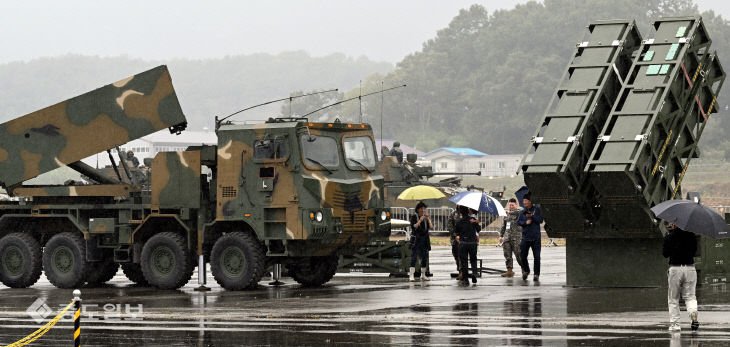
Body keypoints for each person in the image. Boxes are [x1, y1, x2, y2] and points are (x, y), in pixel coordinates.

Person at [663, 222, 699, 332]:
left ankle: (675, 325)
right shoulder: (692, 235)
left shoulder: (670, 236)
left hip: (675, 268)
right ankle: (693, 313)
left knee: (673, 298)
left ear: (674, 224)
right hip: (690, 268)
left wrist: (667, 241)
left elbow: (665, 254)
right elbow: (694, 252)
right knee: (690, 296)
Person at [518, 194, 543, 281]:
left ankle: (536, 274)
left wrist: (532, 216)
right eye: (523, 200)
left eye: (526, 200)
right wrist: (526, 222)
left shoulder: (537, 210)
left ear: (530, 201)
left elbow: (540, 220)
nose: (524, 202)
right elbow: (519, 222)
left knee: (537, 257)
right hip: (525, 237)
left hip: (536, 238)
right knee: (523, 256)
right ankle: (526, 270)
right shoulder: (522, 212)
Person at [456, 205, 480, 284]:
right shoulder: (472, 220)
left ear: (460, 212)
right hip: (472, 243)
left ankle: (465, 279)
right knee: (473, 259)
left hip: (463, 243)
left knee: (464, 261)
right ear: (468, 211)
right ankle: (474, 273)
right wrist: (476, 222)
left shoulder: (459, 221)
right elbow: (478, 229)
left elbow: (457, 231)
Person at [499, 198, 523, 277]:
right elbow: (504, 226)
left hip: (516, 237)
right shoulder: (507, 214)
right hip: (507, 237)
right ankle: (509, 270)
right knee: (507, 255)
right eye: (510, 205)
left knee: (518, 254)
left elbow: (518, 212)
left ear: (516, 205)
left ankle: (524, 268)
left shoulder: (519, 213)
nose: (511, 206)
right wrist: (501, 235)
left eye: (512, 205)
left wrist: (510, 212)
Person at [409, 201, 432, 281]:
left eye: (424, 209)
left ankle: (423, 274)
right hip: (416, 239)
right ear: (418, 209)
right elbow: (414, 227)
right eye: (421, 209)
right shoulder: (414, 217)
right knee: (414, 256)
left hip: (424, 239)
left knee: (424, 257)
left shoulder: (425, 217)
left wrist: (428, 219)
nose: (423, 210)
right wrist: (419, 221)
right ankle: (411, 274)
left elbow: (431, 227)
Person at [446, 206, 461, 276]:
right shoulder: (453, 214)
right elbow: (449, 226)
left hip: (464, 238)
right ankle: (459, 267)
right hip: (454, 238)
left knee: (462, 255)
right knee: (455, 254)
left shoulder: (466, 214)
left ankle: (462, 270)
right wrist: (455, 235)